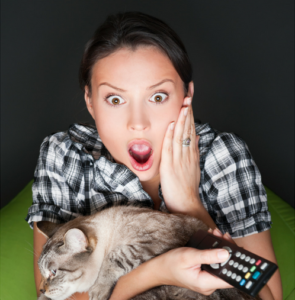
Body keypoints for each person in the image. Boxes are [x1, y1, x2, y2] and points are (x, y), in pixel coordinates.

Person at [27, 11, 282, 300]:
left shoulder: (224, 156)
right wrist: (159, 271)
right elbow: (51, 295)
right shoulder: (64, 156)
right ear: (90, 101)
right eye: (115, 99)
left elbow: (268, 296)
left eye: (158, 97)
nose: (138, 122)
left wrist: (188, 205)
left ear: (187, 96)